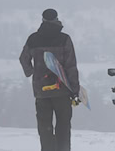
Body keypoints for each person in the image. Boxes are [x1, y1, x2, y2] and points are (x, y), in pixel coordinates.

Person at [19, 9, 80, 151]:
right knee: (63, 127)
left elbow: (23, 59)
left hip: (42, 92)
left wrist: (32, 72)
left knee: (45, 128)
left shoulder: (33, 39)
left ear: (43, 20)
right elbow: (71, 66)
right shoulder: (64, 39)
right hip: (62, 90)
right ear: (57, 19)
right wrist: (75, 90)